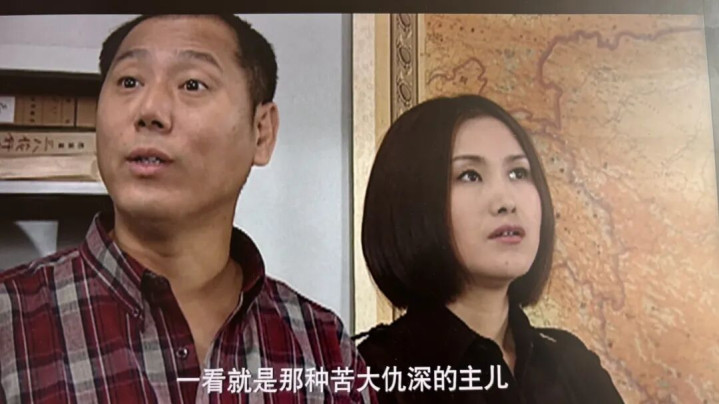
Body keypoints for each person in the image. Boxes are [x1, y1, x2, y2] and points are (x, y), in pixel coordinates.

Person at [0, 14, 373, 403]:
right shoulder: (10, 320)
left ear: (261, 132)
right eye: (129, 82)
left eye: (192, 84)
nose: (150, 110)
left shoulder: (324, 348)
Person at [356, 95, 623, 403]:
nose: (506, 201)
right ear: (410, 203)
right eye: (470, 176)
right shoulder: (369, 375)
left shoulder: (572, 365)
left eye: (518, 173)